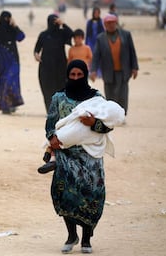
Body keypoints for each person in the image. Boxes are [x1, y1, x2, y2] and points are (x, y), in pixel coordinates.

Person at [45, 60, 113, 254]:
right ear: (68, 75)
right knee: (65, 195)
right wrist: (52, 139)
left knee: (91, 196)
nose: (75, 79)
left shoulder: (97, 99)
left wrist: (93, 123)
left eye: (79, 75)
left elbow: (107, 126)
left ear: (84, 75)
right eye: (72, 75)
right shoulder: (58, 98)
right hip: (66, 155)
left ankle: (86, 239)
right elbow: (50, 123)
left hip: (91, 156)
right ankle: (71, 234)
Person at [90, 14, 138, 115]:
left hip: (123, 71)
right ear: (105, 25)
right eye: (108, 23)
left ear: (116, 23)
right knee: (110, 95)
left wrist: (135, 68)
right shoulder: (101, 38)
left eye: (113, 23)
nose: (111, 25)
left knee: (123, 94)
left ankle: (122, 115)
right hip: (108, 72)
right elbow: (96, 56)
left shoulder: (126, 35)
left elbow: (132, 52)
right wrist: (93, 70)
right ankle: (112, 115)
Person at [0, 10, 25, 114]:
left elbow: (21, 37)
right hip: (1, 61)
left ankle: (12, 104)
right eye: (5, 18)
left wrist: (15, 26)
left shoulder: (13, 30)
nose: (6, 20)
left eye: (9, 18)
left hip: (13, 60)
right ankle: (5, 106)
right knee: (2, 83)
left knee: (11, 81)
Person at [34, 14, 73, 113]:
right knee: (47, 89)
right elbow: (37, 48)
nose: (54, 23)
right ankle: (50, 111)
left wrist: (63, 24)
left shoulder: (62, 33)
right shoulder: (43, 35)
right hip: (46, 67)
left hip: (60, 67)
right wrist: (36, 54)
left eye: (56, 21)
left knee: (61, 88)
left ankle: (61, 110)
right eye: (53, 21)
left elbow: (71, 34)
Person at [85, 7, 104, 77]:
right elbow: (87, 34)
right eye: (95, 13)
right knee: (90, 57)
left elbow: (103, 33)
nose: (96, 14)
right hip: (90, 42)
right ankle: (91, 71)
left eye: (98, 13)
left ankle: (98, 72)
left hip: (98, 42)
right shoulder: (89, 22)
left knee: (98, 57)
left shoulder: (101, 22)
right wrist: (86, 43)